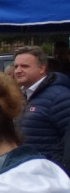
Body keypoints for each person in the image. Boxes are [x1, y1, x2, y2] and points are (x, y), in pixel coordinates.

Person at [11, 45, 70, 174]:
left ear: (42, 68)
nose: (18, 71)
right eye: (16, 66)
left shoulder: (59, 97)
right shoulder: (21, 95)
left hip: (50, 177)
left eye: (24, 66)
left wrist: (60, 170)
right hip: (26, 173)